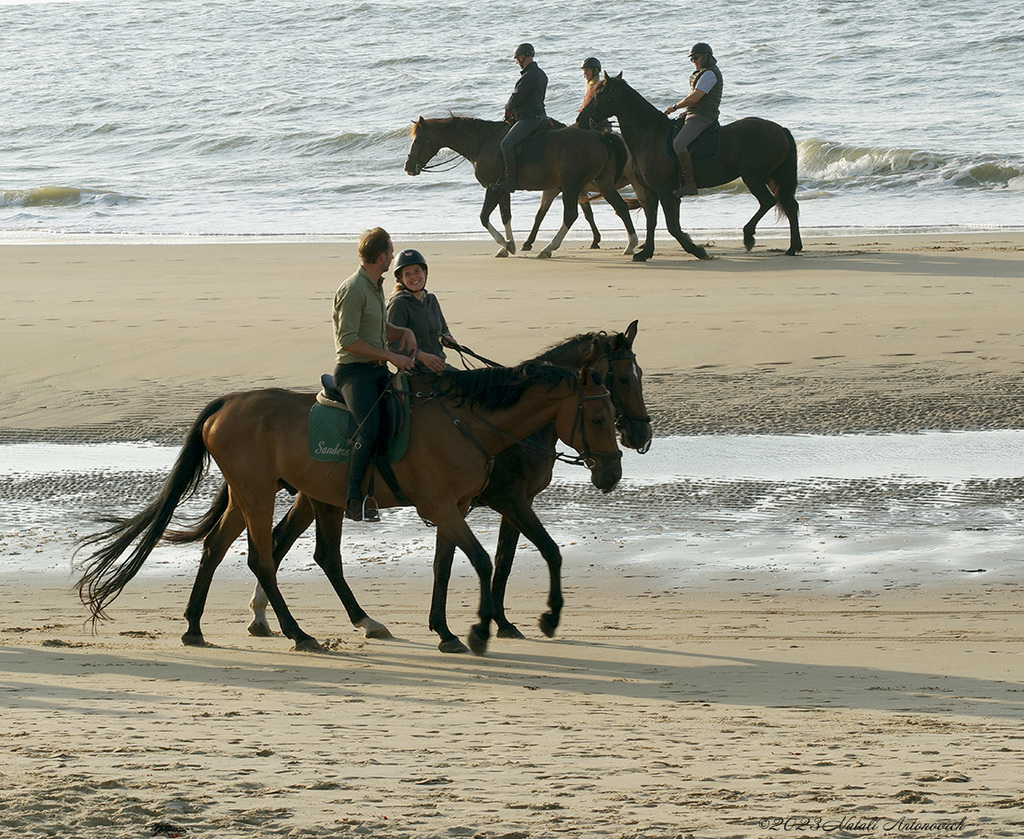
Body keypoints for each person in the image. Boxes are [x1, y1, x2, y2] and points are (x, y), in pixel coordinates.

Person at [333, 227, 417, 523]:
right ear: (382, 256)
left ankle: (383, 490)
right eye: (391, 253)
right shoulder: (354, 289)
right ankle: (353, 498)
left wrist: (403, 332)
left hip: (377, 370)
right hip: (353, 373)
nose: (392, 257)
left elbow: (377, 329)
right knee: (367, 430)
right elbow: (348, 340)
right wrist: (392, 356)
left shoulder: (374, 285)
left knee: (398, 420)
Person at [663, 42, 723, 197]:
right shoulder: (702, 73)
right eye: (692, 59)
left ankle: (690, 184)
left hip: (703, 117)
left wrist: (675, 107)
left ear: (706, 57)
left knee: (679, 143)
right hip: (693, 114)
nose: (693, 61)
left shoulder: (710, 74)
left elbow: (696, 97)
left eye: (696, 58)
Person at [386, 248, 453, 374]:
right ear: (400, 279)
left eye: (417, 271)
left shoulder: (431, 299)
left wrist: (448, 339)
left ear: (425, 272)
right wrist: (421, 356)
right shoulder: (399, 304)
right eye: (407, 274)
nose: (413, 277)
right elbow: (391, 345)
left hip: (439, 366)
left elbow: (443, 330)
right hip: (415, 371)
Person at [493, 42, 548, 193]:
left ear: (523, 57)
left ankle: (510, 181)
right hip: (541, 116)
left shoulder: (528, 76)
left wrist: (507, 108)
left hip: (529, 119)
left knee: (506, 144)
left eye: (517, 59)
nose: (517, 62)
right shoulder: (541, 74)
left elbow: (516, 97)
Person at [578, 57, 612, 131]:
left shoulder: (594, 88)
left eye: (587, 70)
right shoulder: (594, 86)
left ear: (595, 71)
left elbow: (586, 109)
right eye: (584, 70)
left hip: (595, 124)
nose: (584, 73)